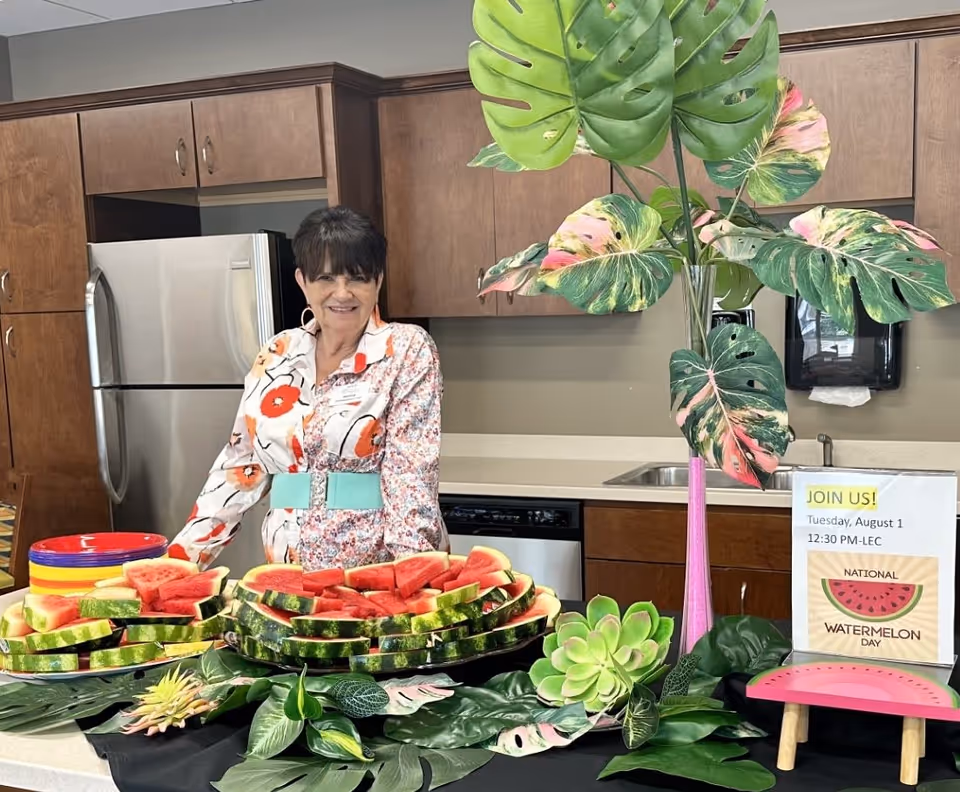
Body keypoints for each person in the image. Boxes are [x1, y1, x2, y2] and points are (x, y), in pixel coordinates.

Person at [168, 206, 448, 570]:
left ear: (378, 281)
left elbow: (410, 476)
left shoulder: (408, 350)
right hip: (289, 572)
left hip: (377, 569)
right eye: (326, 279)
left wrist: (414, 577)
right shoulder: (277, 354)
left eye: (358, 278)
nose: (342, 293)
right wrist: (180, 563)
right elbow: (240, 467)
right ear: (302, 281)